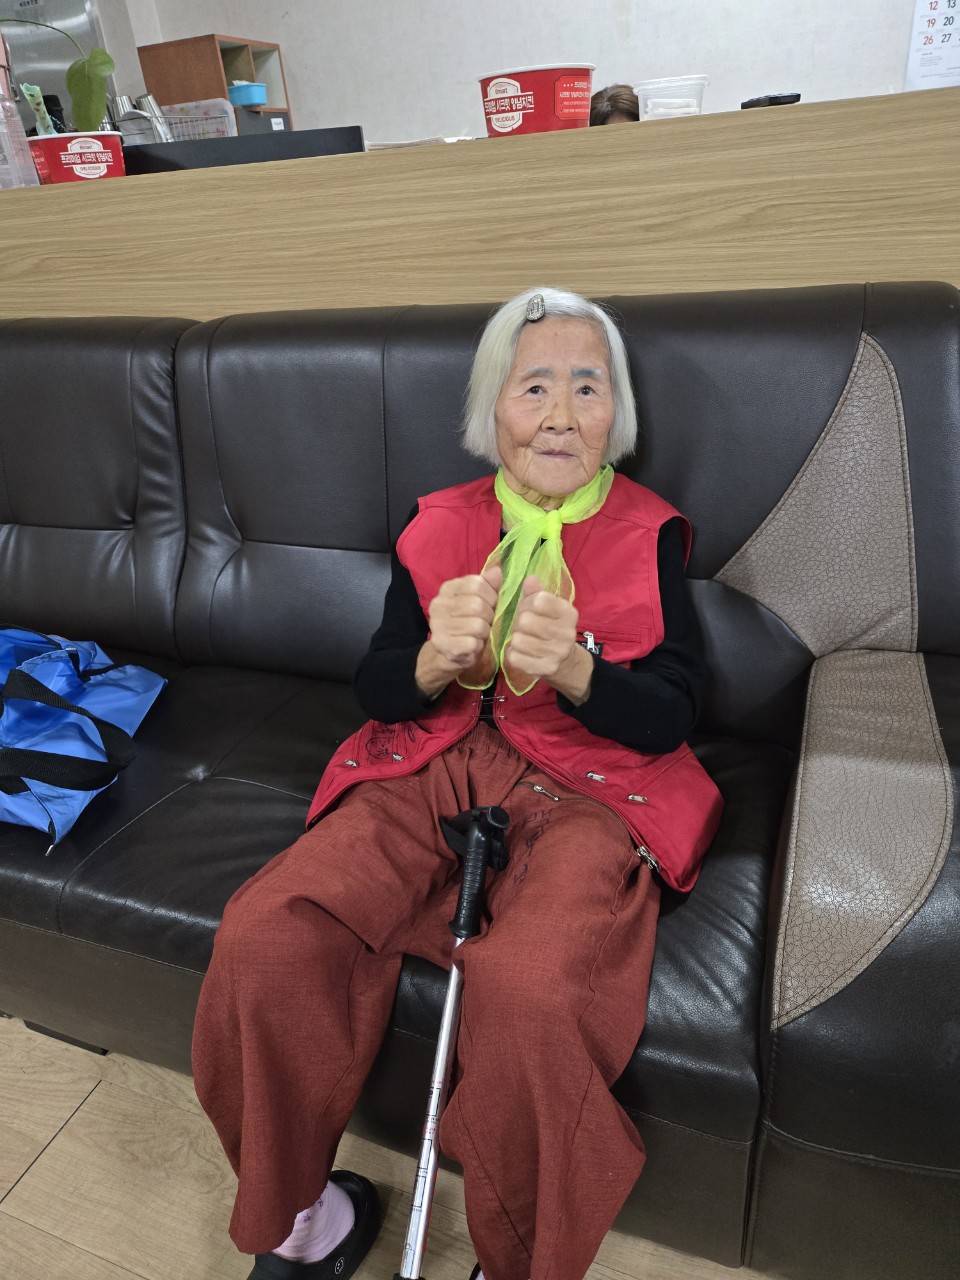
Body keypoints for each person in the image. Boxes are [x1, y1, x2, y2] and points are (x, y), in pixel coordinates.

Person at [192, 287, 723, 1280]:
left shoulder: (650, 532)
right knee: (267, 931)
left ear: (618, 412)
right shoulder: (436, 524)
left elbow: (676, 711)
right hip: (427, 764)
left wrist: (581, 675)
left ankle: (515, 1261)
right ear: (493, 410)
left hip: (590, 786)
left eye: (588, 387)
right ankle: (300, 1216)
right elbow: (378, 683)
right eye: (534, 387)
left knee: (531, 991)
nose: (561, 413)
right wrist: (436, 661)